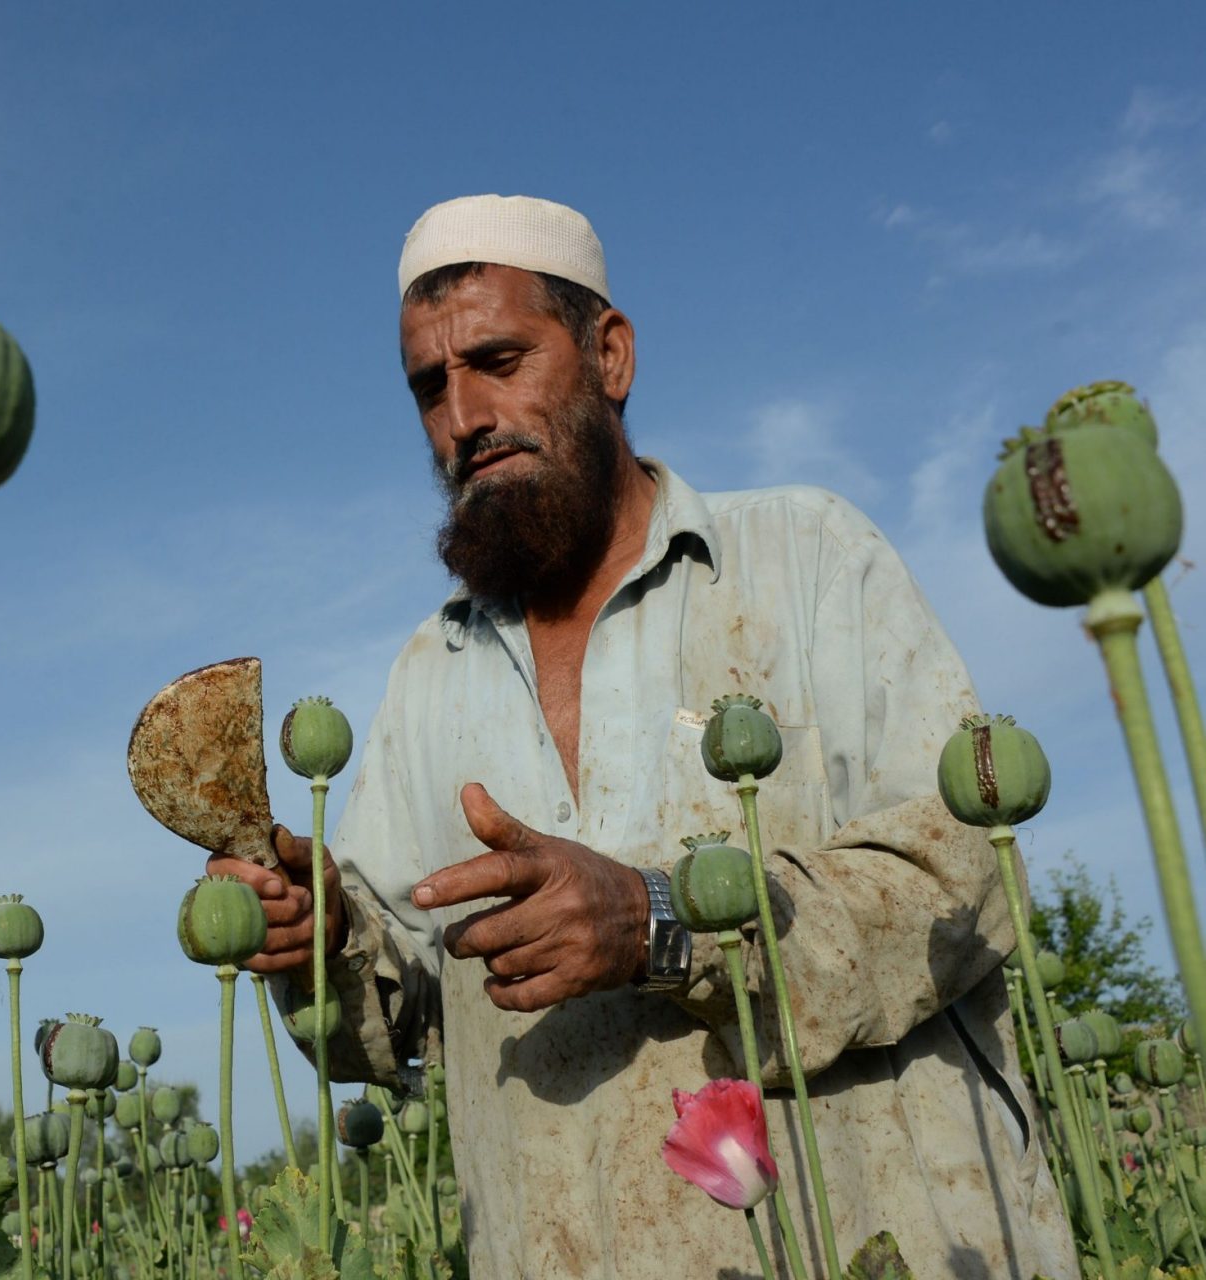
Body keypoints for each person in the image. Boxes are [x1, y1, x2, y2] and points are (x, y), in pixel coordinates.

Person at [208, 195, 1077, 1278]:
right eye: (429, 386)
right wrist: (325, 943)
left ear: (608, 355)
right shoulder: (430, 673)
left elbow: (963, 881)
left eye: (498, 358)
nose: (462, 415)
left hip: (868, 1240)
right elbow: (408, 1024)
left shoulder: (804, 558)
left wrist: (661, 921)